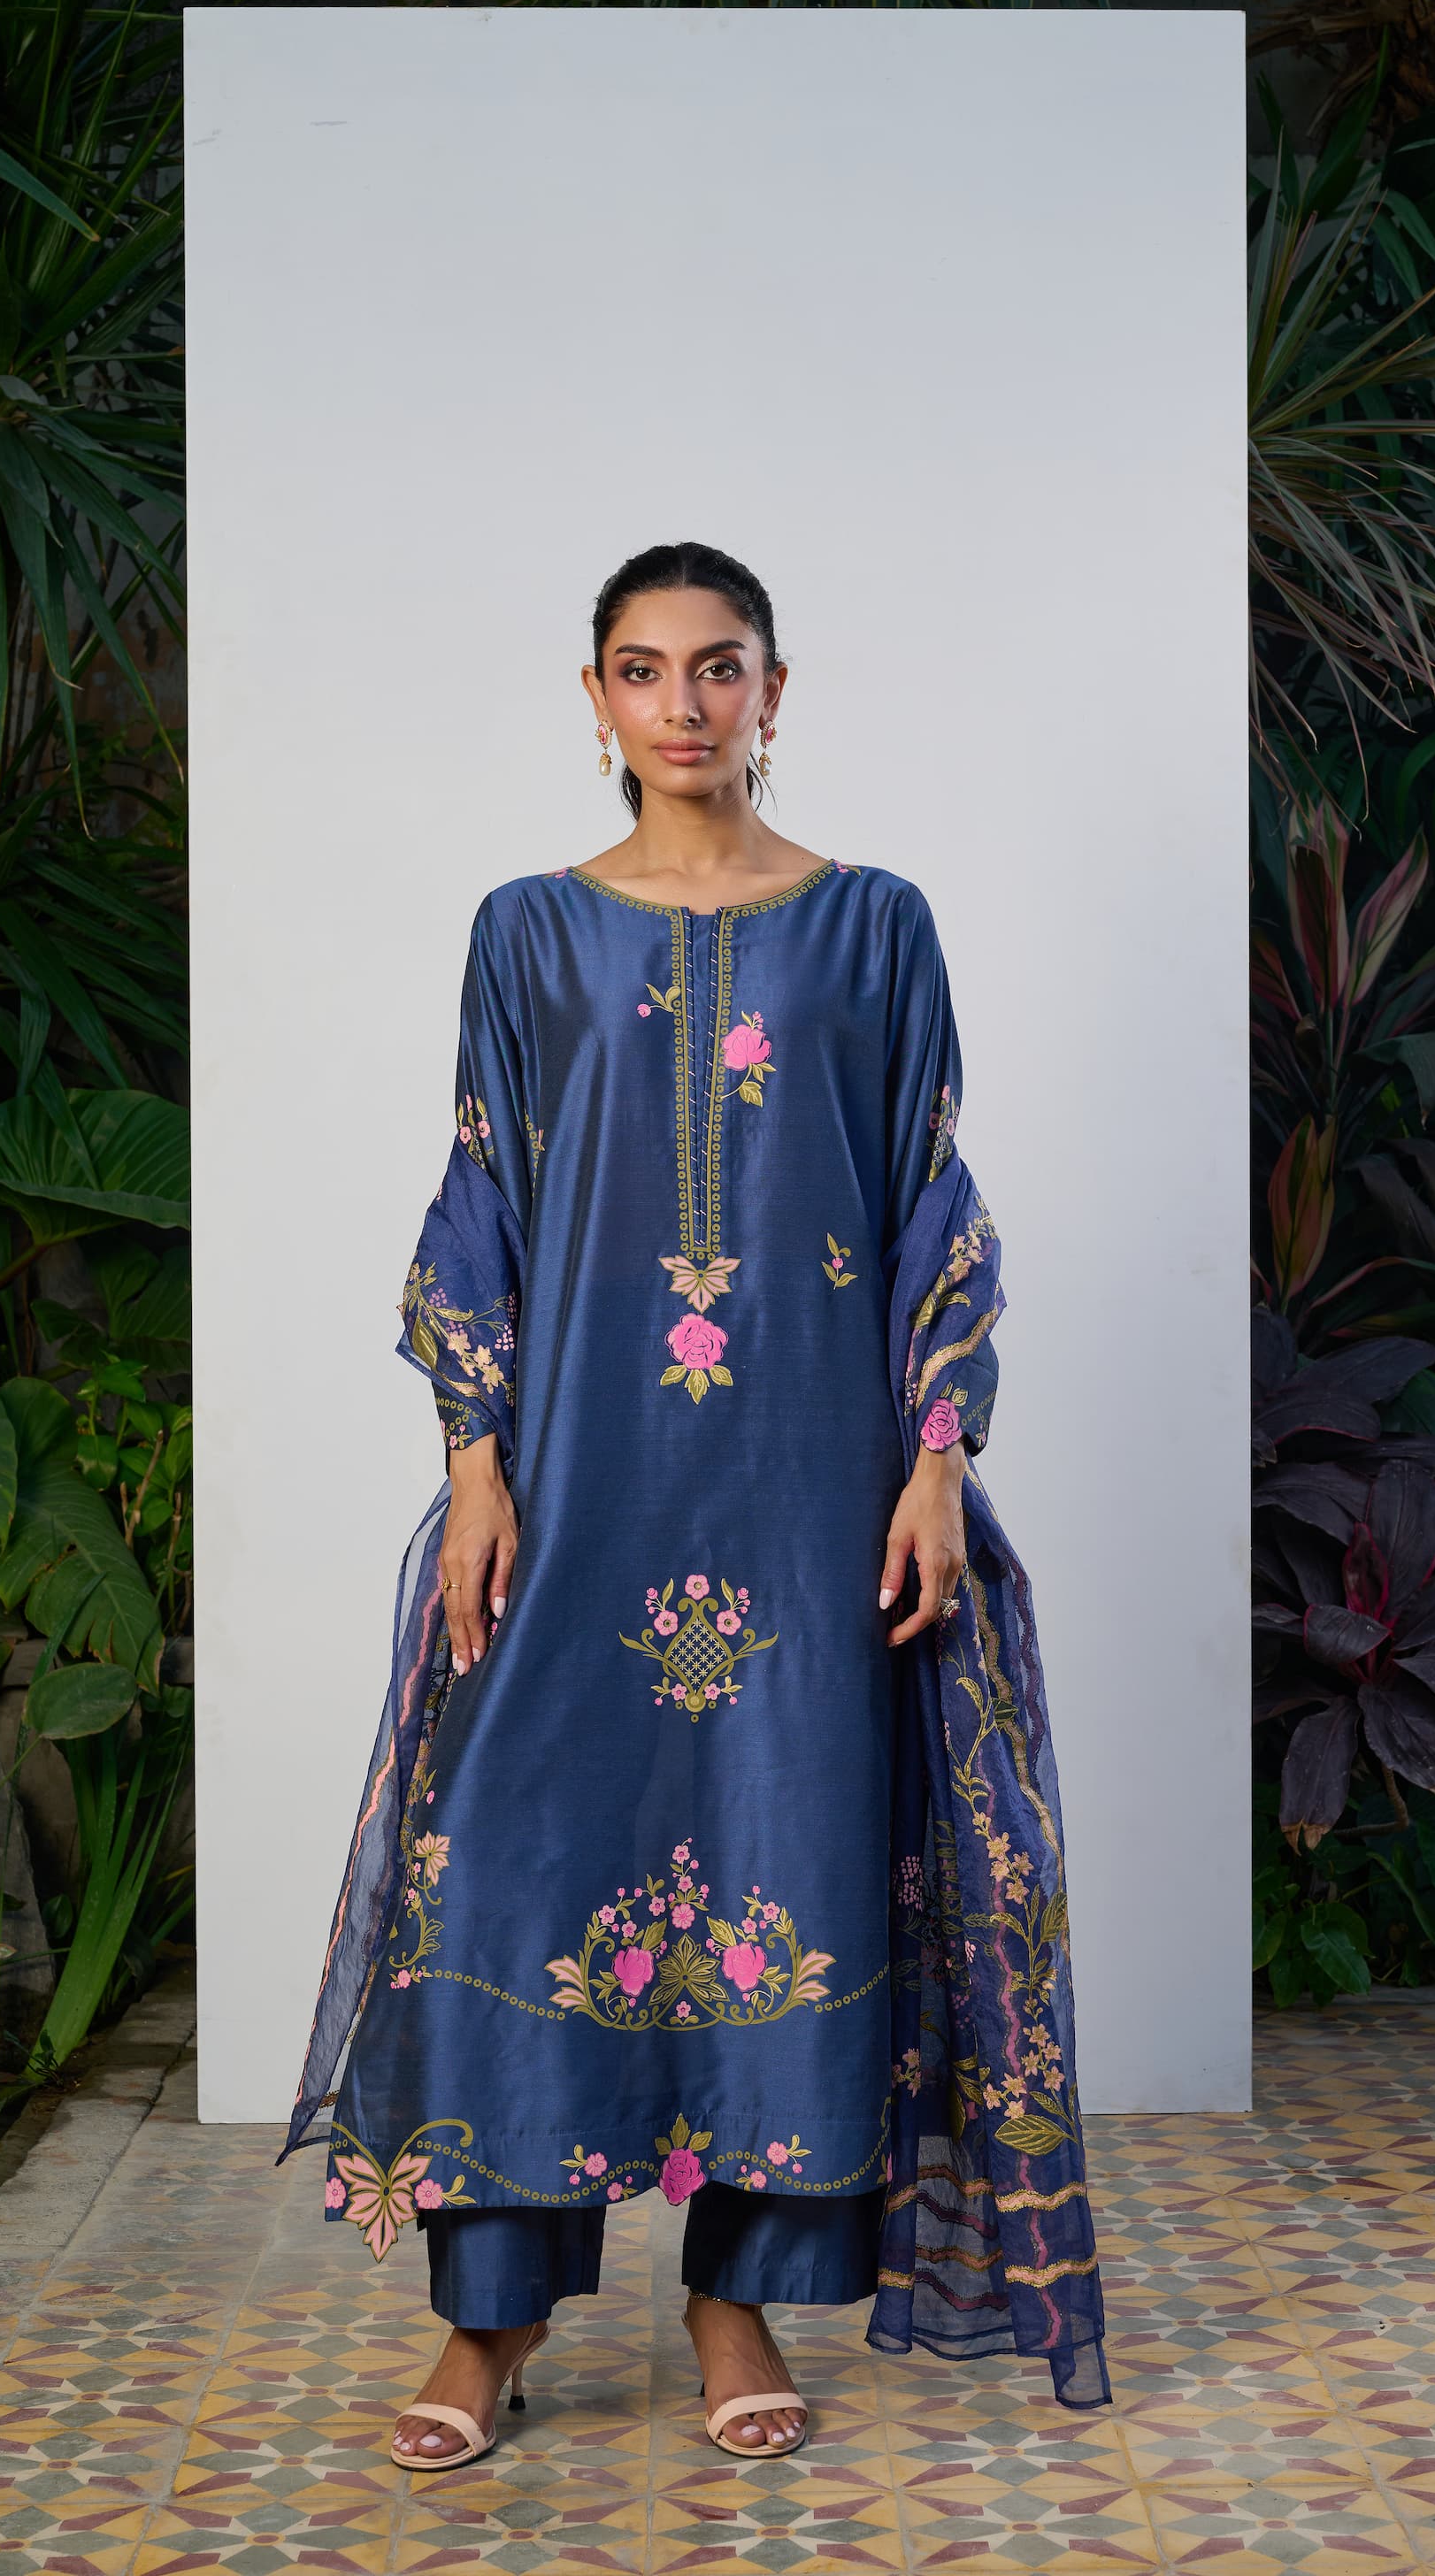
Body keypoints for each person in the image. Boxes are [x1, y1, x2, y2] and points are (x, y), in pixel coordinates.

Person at [280, 540, 1108, 2472]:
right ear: (594, 700)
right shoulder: (528, 933)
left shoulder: (874, 926)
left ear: (773, 690)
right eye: (644, 670)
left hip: (808, 1494)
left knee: (786, 1855)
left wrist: (936, 1459)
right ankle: (487, 2327)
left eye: (718, 666)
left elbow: (928, 1193)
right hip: (577, 1485)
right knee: (508, 1854)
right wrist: (472, 1463)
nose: (683, 703)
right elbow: (481, 1197)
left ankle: (736, 2301)